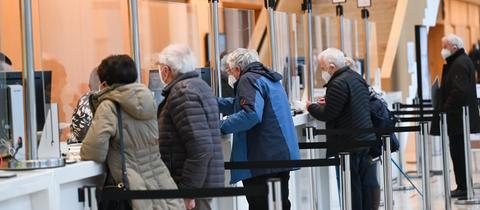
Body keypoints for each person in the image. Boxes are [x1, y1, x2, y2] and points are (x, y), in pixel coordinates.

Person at [80, 55, 184, 210]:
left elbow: (94, 152)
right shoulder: (148, 98)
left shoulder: (109, 105)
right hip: (160, 179)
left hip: (132, 185)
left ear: (104, 83)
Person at [218, 48, 300, 210]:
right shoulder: (266, 76)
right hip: (278, 155)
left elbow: (251, 114)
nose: (230, 75)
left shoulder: (247, 79)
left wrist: (220, 127)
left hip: (263, 158)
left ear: (238, 68)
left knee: (261, 205)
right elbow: (241, 104)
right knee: (279, 204)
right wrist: (214, 102)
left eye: (230, 70)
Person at [156, 44, 225, 210]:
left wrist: (188, 192)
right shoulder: (199, 86)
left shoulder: (182, 93)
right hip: (202, 181)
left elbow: (200, 148)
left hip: (194, 185)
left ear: (166, 70)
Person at [307, 48, 376, 210]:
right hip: (364, 139)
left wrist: (310, 106)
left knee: (350, 189)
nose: (322, 72)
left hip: (348, 143)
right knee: (363, 187)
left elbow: (329, 114)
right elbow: (349, 104)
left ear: (332, 67)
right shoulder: (355, 77)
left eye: (323, 68)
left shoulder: (338, 82)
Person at [437, 34, 480, 197]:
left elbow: (458, 91)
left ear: (454, 47)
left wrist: (445, 108)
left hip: (459, 118)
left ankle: (463, 187)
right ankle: (462, 185)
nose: (443, 50)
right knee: (458, 152)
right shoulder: (460, 61)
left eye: (445, 46)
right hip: (459, 118)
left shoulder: (459, 64)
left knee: (459, 153)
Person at [68, 68, 101, 144]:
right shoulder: (105, 100)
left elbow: (79, 132)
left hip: (83, 146)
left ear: (89, 86)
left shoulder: (84, 99)